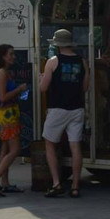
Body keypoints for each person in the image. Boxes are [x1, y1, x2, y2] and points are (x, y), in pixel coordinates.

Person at [40, 29, 89, 198]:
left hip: (57, 108)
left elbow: (43, 88)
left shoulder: (52, 61)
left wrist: (42, 78)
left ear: (57, 44)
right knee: (75, 146)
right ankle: (75, 186)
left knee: (49, 143)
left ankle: (56, 183)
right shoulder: (82, 62)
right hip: (77, 108)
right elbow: (85, 87)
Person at [0, 44, 27, 196]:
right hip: (6, 117)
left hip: (9, 114)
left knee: (5, 149)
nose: (13, 57)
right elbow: (2, 97)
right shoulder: (2, 73)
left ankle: (5, 183)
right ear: (3, 56)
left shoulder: (5, 72)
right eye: (11, 54)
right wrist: (19, 90)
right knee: (15, 149)